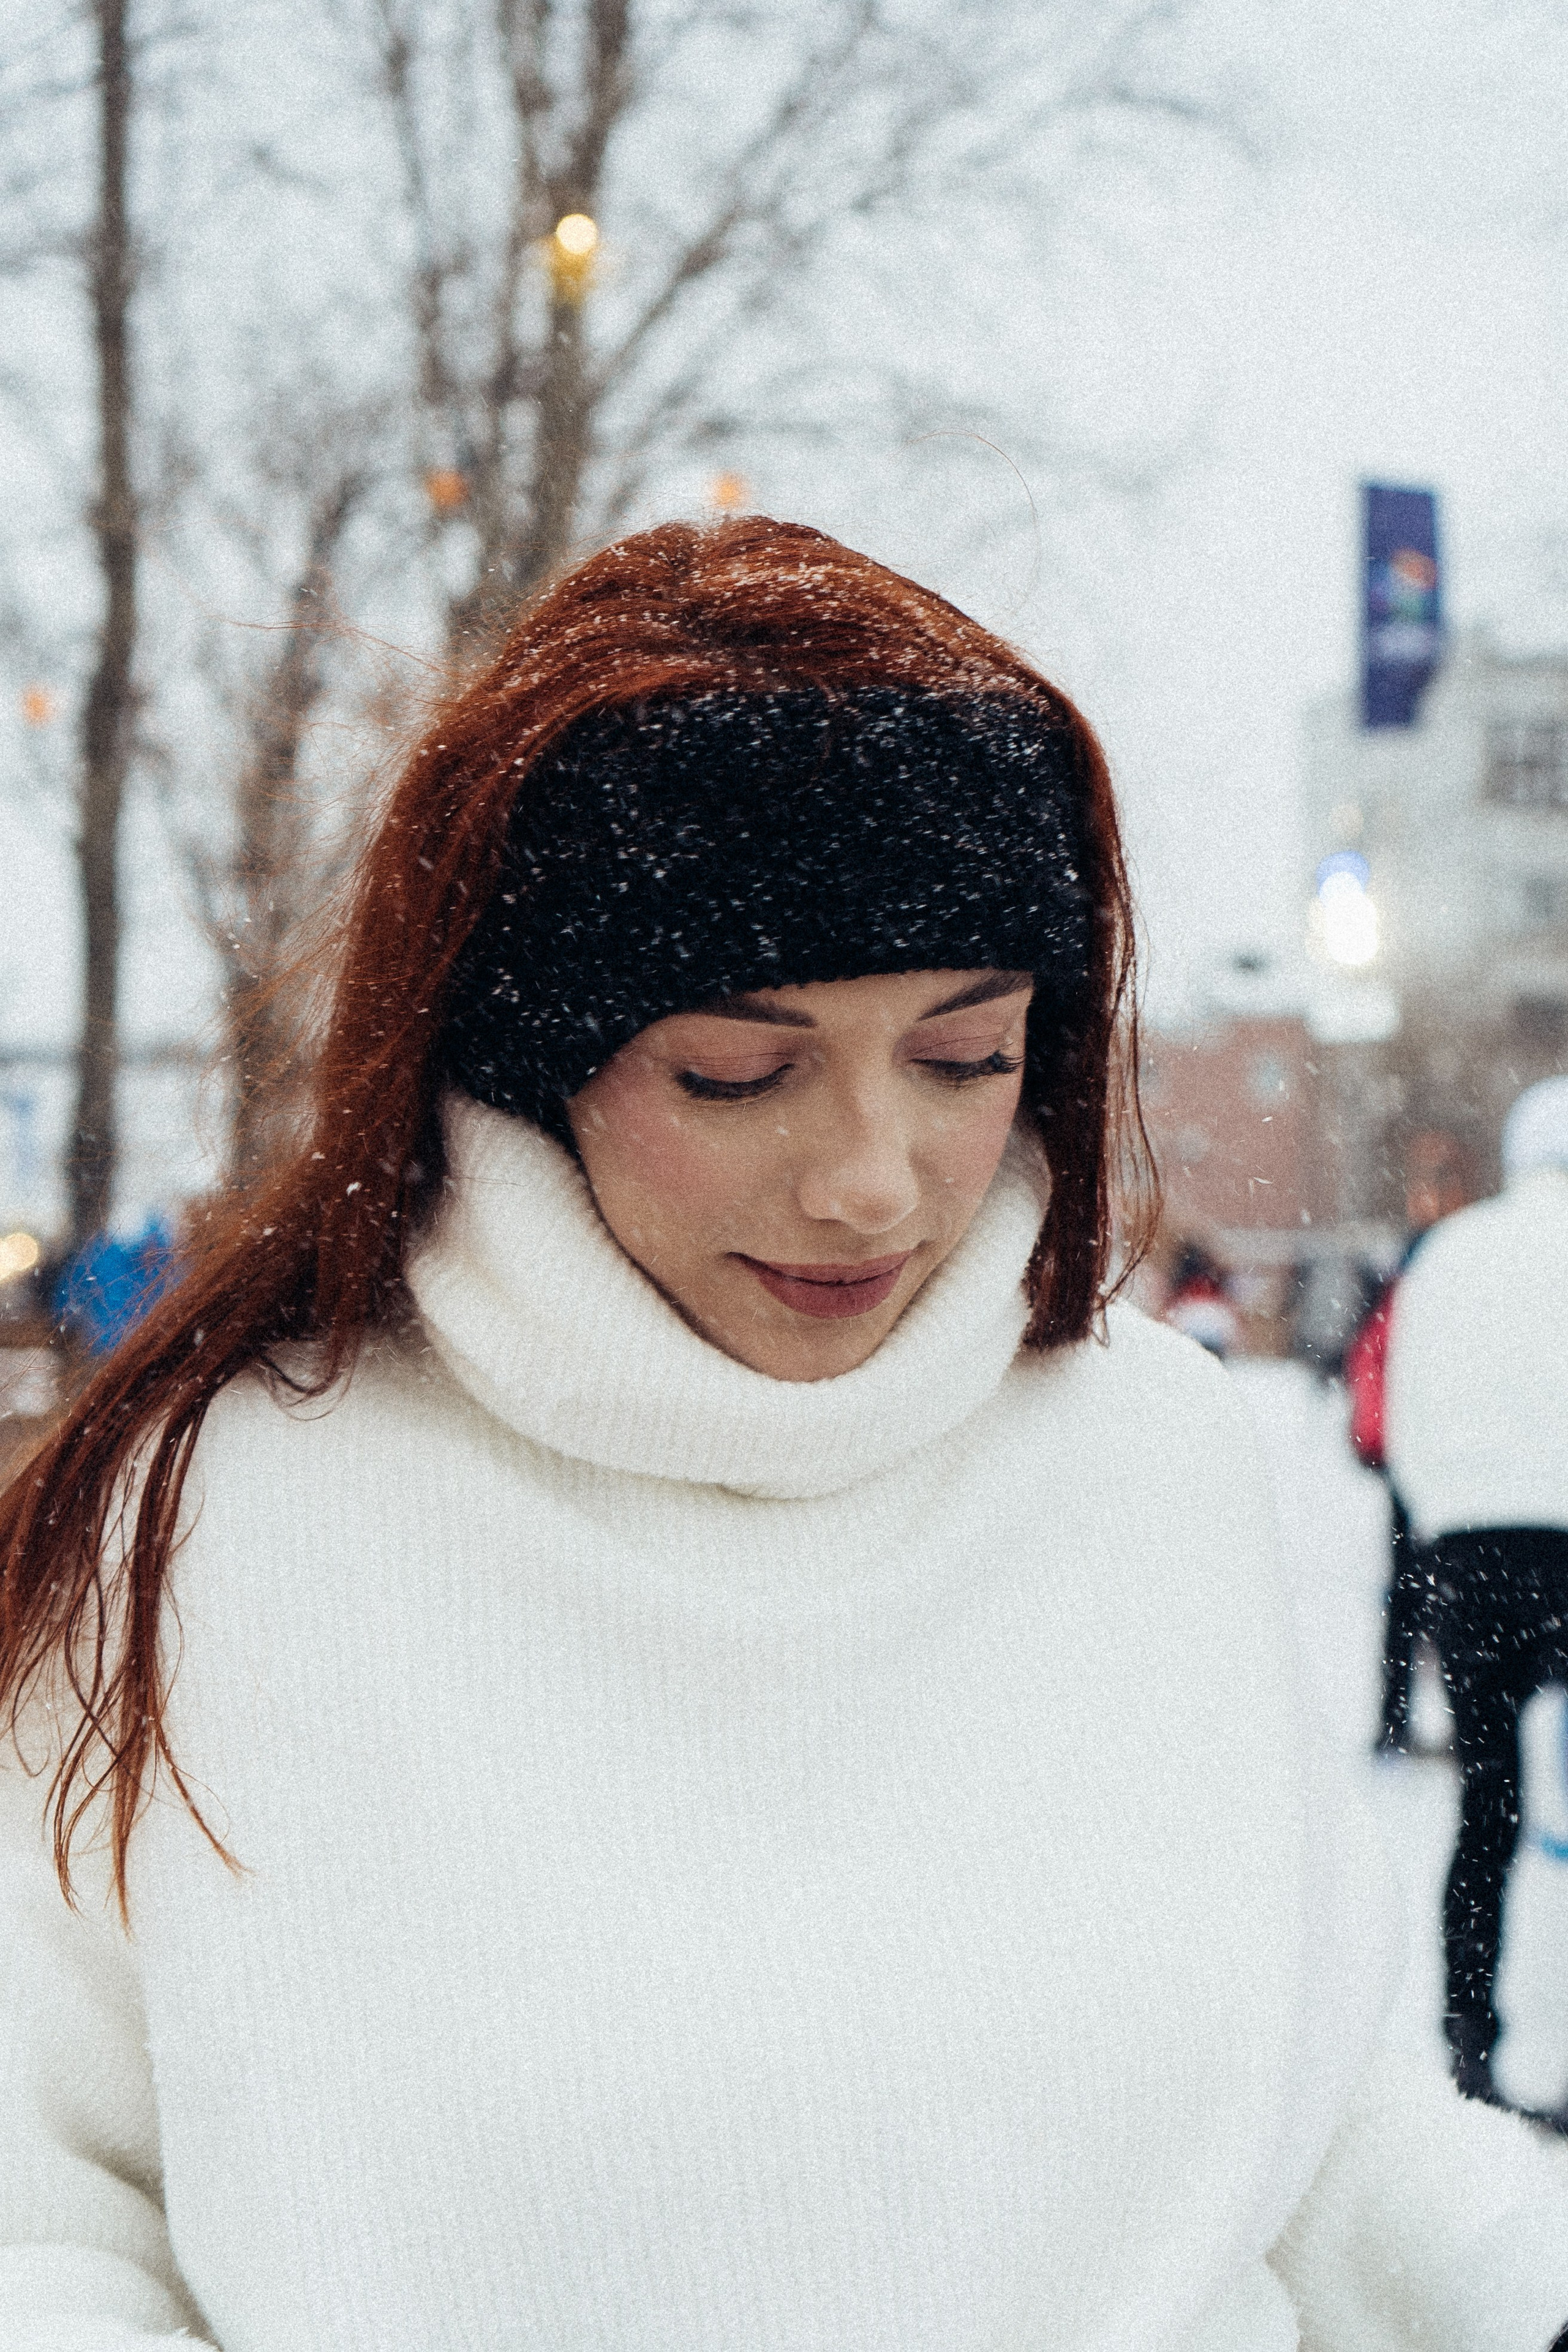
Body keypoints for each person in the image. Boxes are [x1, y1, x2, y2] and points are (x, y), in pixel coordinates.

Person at [3, 516, 1567, 2352]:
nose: (869, 1180)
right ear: (536, 1051)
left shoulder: (1149, 1455)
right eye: (738, 1073)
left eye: (963, 1056)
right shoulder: (223, 1516)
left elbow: (1308, 2122)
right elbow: (45, 2220)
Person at [1387, 1076, 1568, 2118]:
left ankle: (1470, 2043)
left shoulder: (1451, 1253)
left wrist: (1445, 1520)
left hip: (1474, 1547)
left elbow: (1406, 1412)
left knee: (1488, 1801)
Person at [1346, 1131, 1470, 1755]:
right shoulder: (1449, 1262)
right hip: (1441, 1452)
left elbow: (1376, 1357)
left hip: (1417, 1451)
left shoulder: (1406, 1266)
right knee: (1441, 1594)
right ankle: (1444, 1721)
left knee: (1412, 1592)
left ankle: (1396, 1720)